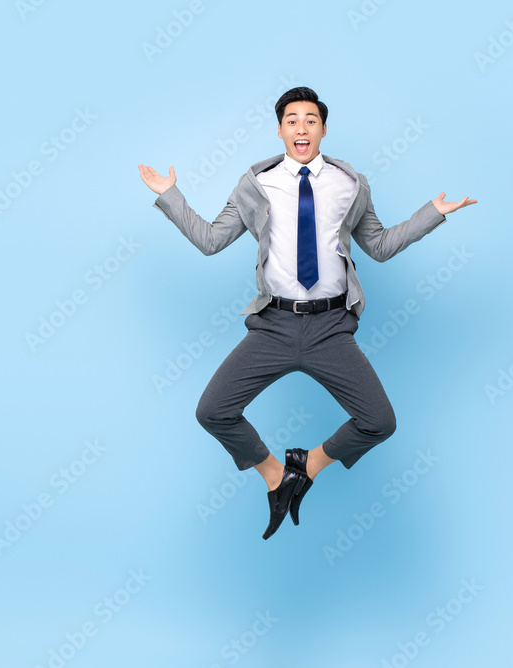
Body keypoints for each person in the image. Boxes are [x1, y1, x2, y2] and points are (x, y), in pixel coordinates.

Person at [139, 86, 476, 539]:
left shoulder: (350, 183)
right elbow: (210, 240)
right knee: (213, 411)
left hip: (331, 327)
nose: (302, 127)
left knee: (379, 422)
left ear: (322, 129)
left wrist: (432, 213)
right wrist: (170, 195)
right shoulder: (254, 184)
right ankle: (277, 477)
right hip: (272, 326)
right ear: (280, 129)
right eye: (292, 119)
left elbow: (378, 246)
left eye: (311, 120)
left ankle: (307, 466)